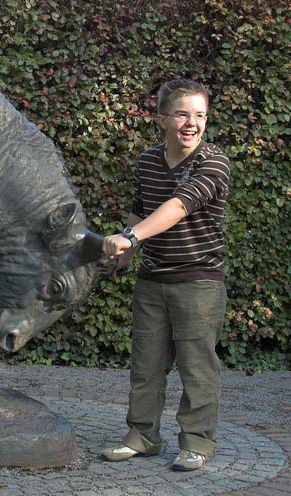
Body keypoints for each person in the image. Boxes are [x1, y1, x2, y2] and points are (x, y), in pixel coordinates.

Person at [99, 79, 231, 471]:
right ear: (162, 119)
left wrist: (129, 237)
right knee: (145, 367)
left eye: (200, 115)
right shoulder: (147, 161)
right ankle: (141, 437)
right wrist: (126, 254)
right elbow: (139, 210)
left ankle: (197, 443)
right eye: (182, 114)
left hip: (199, 281)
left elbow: (177, 207)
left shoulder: (213, 162)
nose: (192, 123)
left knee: (198, 369)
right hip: (152, 281)